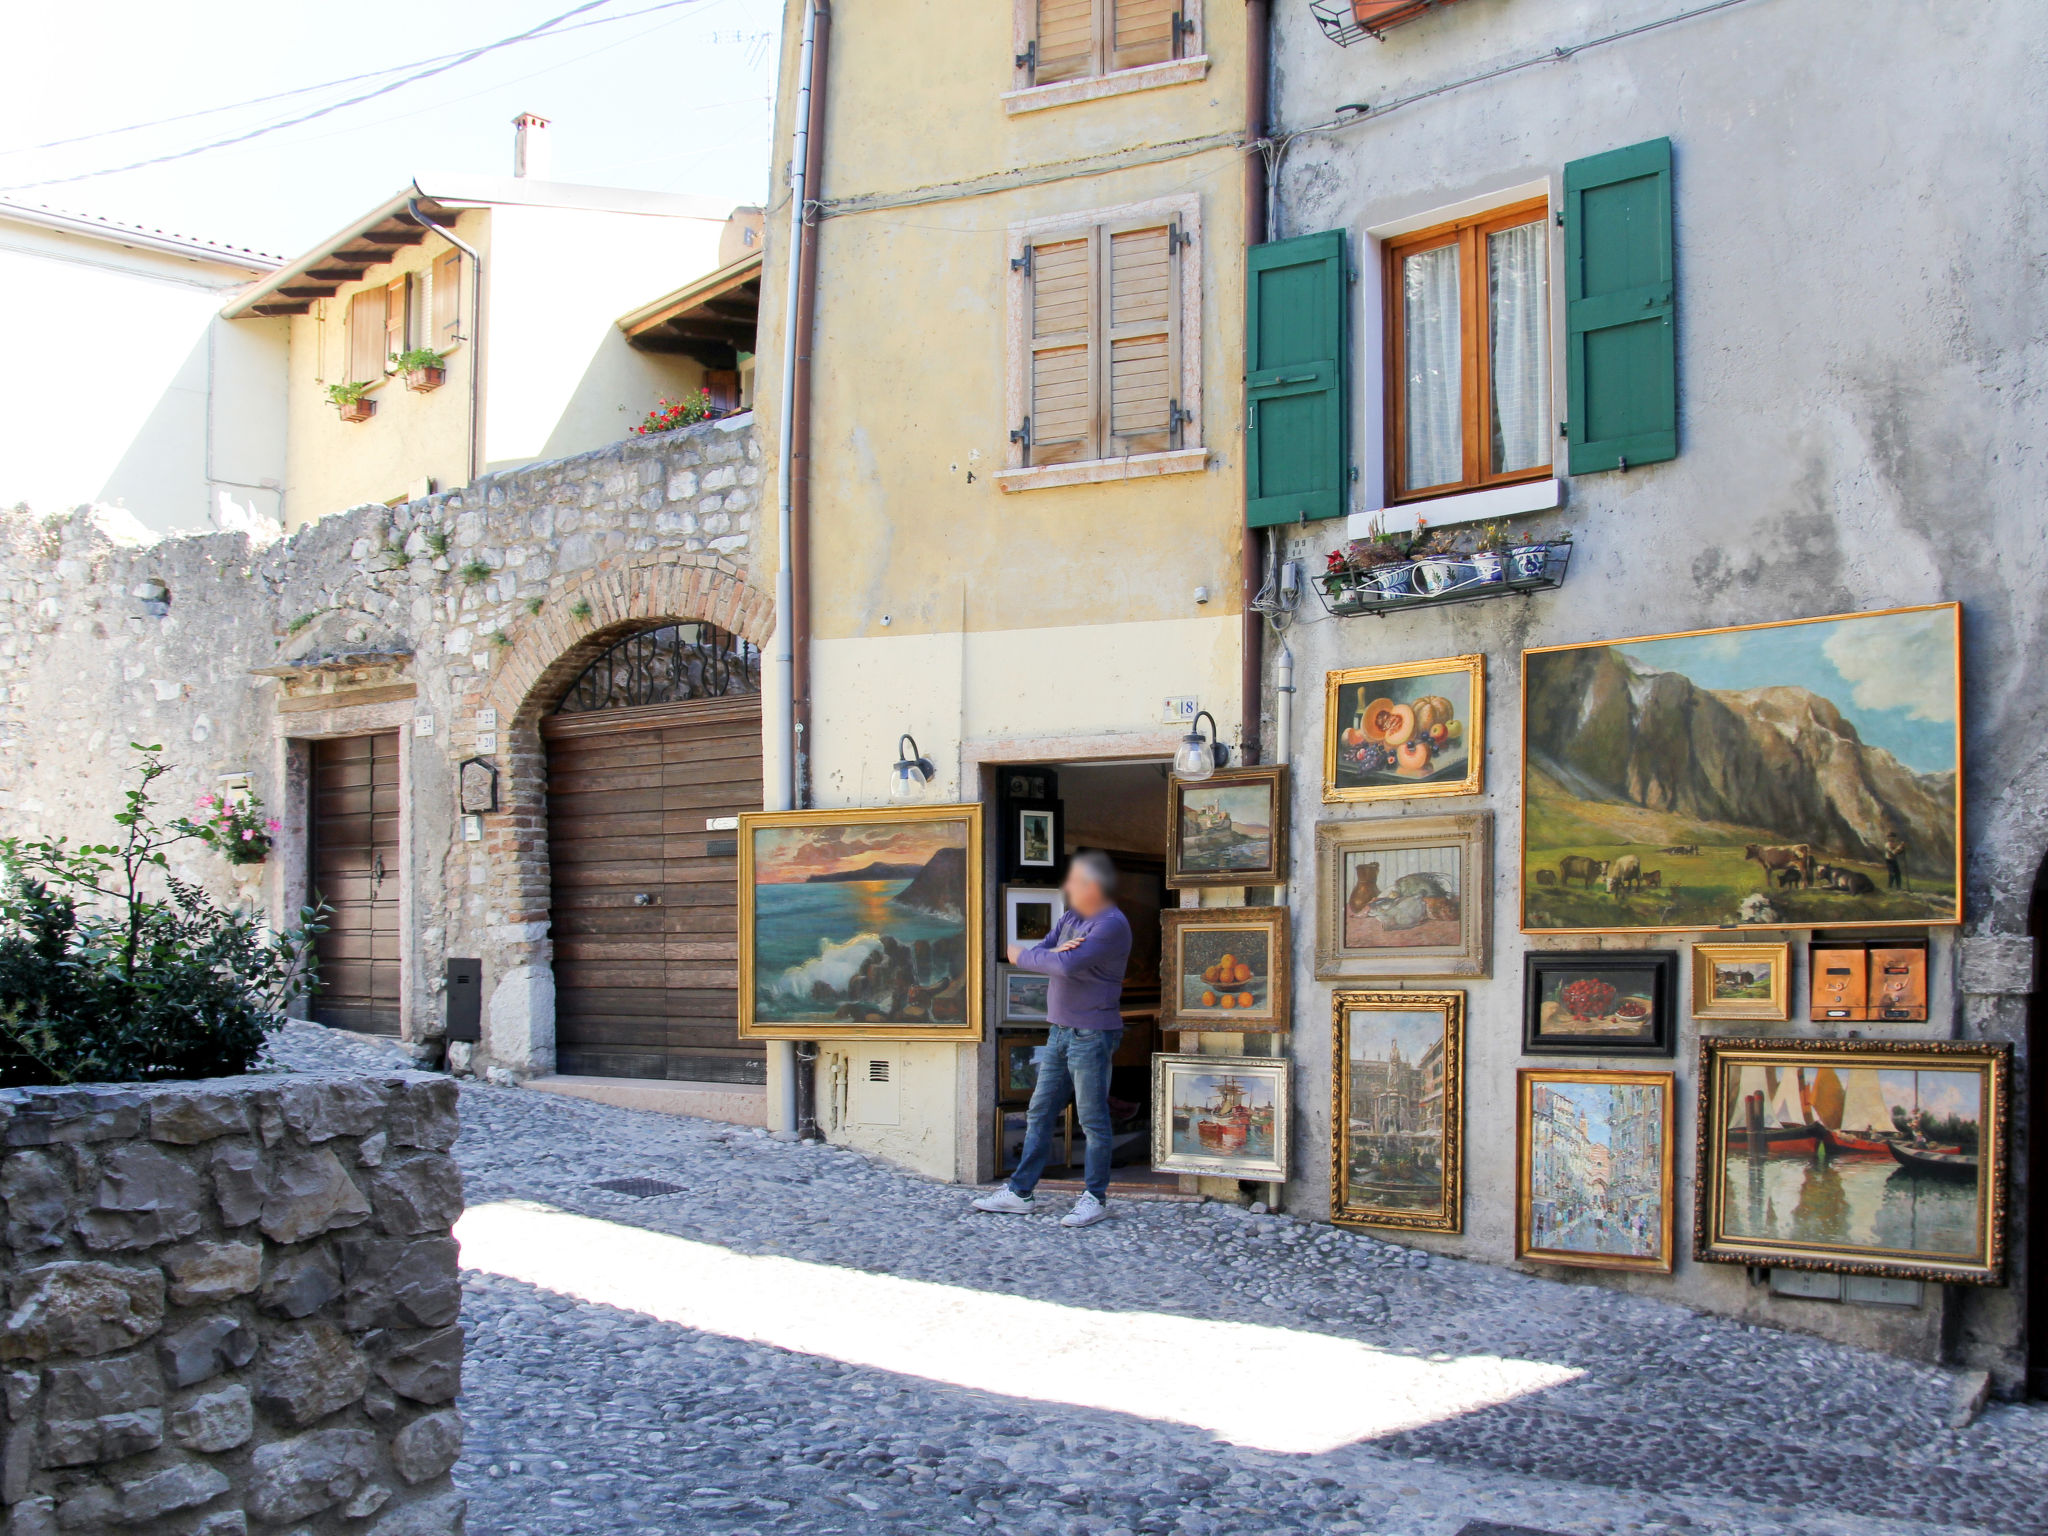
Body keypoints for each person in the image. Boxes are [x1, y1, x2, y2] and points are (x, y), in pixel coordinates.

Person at [973, 849, 1132, 1229]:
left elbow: (1056, 963)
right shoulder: (1072, 918)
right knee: (1039, 1112)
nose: (1066, 888)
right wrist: (1049, 955)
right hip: (1060, 1031)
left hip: (1092, 1034)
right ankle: (1020, 1192)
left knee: (1093, 1120)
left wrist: (1029, 955)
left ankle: (1095, 1197)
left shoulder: (1110, 925)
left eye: (1074, 882)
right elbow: (1047, 952)